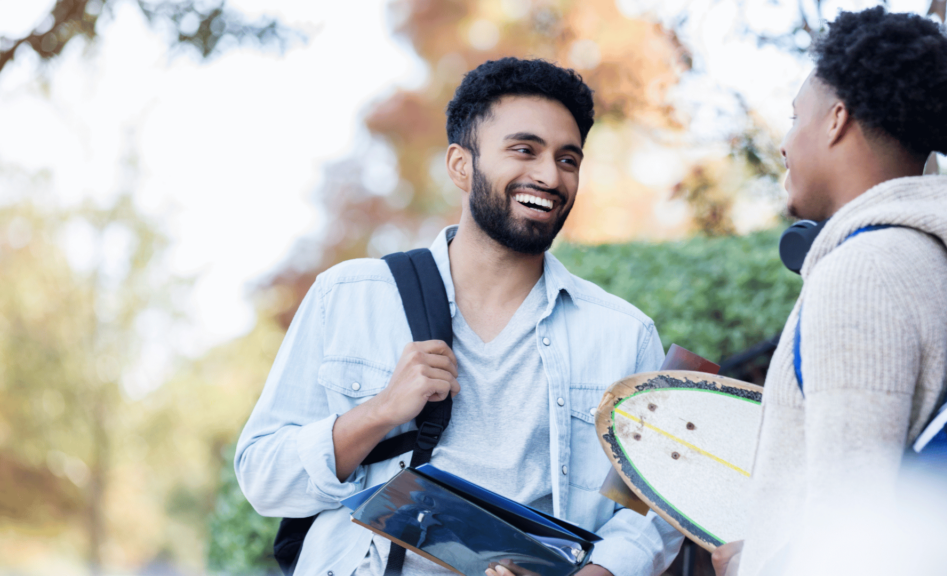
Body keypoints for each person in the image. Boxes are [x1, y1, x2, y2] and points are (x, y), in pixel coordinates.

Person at [235, 57, 683, 576]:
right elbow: (263, 477)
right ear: (460, 165)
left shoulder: (622, 336)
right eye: (524, 149)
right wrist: (379, 411)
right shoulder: (350, 296)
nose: (549, 175)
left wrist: (602, 572)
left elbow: (647, 505)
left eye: (568, 159)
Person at [710, 7, 947, 576]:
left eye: (795, 118)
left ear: (836, 119)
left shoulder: (864, 273)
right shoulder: (924, 255)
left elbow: (851, 523)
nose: (786, 144)